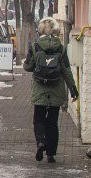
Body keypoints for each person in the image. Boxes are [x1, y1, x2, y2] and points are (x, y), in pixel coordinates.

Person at [23, 17, 78, 163]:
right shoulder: (60, 48)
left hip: (39, 89)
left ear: (40, 30)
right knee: (52, 122)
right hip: (56, 89)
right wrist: (73, 89)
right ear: (56, 31)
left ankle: (41, 142)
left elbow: (28, 67)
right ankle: (51, 154)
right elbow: (66, 70)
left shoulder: (35, 46)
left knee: (38, 119)